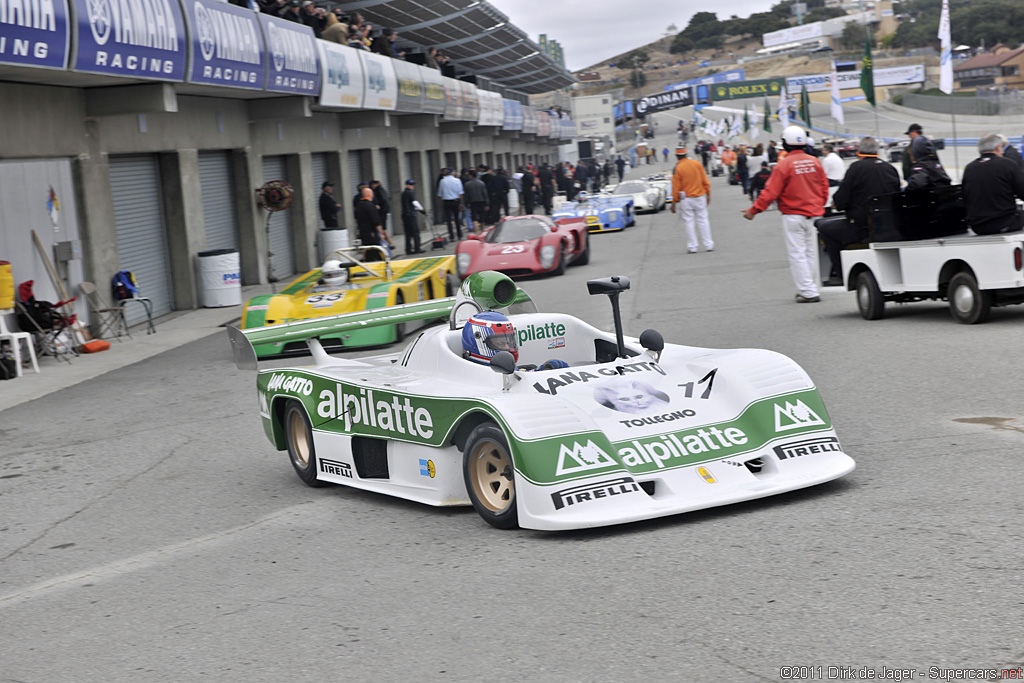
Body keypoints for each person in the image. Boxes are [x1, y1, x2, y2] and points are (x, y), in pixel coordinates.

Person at [741, 126, 829, 303]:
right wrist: (818, 204)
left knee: (798, 254)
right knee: (811, 253)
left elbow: (770, 192)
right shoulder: (814, 162)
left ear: (785, 144)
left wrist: (754, 210)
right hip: (814, 214)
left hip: (793, 215)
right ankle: (810, 286)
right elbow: (824, 188)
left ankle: (808, 291)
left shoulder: (784, 165)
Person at [825, 137, 901, 285]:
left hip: (862, 228)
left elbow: (841, 201)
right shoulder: (890, 168)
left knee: (824, 228)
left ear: (859, 152)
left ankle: (839, 274)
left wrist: (838, 204)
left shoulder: (856, 168)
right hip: (888, 227)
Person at [962, 133, 1024, 235]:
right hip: (1006, 223)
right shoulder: (1007, 164)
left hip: (978, 227)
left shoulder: (969, 168)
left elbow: (965, 197)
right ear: (998, 147)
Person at [669, 146, 714, 253]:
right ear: (686, 154)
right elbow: (705, 181)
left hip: (686, 199)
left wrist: (674, 202)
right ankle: (709, 245)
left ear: (677, 156)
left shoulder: (677, 168)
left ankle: (692, 247)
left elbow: (676, 187)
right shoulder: (697, 164)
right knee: (703, 220)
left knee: (689, 222)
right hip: (700, 196)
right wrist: (708, 194)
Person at [355, 187, 392, 260]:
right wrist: (381, 233)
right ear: (369, 194)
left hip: (363, 232)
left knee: (368, 250)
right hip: (371, 233)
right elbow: (376, 221)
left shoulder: (359, 205)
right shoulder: (370, 205)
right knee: (375, 251)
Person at [437, 168, 464, 240]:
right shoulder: (458, 181)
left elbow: (440, 194)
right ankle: (459, 234)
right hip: (455, 201)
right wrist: (461, 203)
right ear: (453, 173)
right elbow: (460, 193)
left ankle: (451, 236)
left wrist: (442, 202)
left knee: (448, 220)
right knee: (457, 218)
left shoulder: (442, 181)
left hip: (446, 201)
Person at [400, 179, 423, 255]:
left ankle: (408, 249)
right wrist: (422, 210)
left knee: (408, 233)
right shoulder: (410, 193)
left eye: (413, 185)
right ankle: (417, 248)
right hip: (411, 215)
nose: (413, 186)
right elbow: (414, 203)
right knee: (415, 232)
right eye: (411, 185)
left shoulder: (403, 193)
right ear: (407, 185)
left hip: (405, 215)